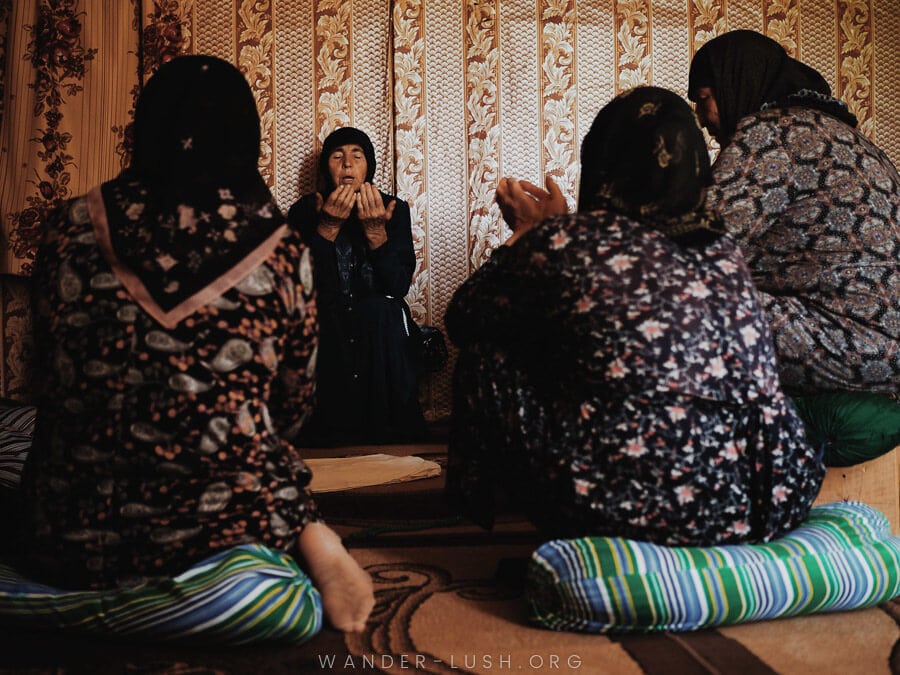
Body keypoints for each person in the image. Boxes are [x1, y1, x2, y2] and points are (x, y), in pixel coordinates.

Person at [21, 55, 373, 633]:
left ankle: (72, 604)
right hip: (215, 531)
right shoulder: (280, 247)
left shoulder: (68, 224)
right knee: (253, 451)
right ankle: (311, 539)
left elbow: (49, 372)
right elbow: (291, 409)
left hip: (67, 530)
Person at [444, 86, 824, 546]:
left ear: (604, 163)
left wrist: (529, 233)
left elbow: (463, 316)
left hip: (621, 510)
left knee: (485, 358)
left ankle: (474, 523)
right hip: (759, 502)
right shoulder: (723, 253)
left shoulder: (574, 243)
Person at [688, 29, 900, 395]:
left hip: (845, 342)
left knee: (674, 290)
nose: (701, 119)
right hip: (885, 348)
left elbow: (695, 241)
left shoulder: (772, 133)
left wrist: (569, 236)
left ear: (735, 84)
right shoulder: (852, 139)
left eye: (704, 99)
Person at [287, 127, 425, 446]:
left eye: (356, 156)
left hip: (377, 328)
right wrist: (327, 228)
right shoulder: (305, 211)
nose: (347, 164)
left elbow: (398, 285)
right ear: (326, 168)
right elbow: (299, 285)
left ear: (369, 167)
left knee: (381, 310)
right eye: (337, 157)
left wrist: (376, 232)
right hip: (328, 321)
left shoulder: (393, 209)